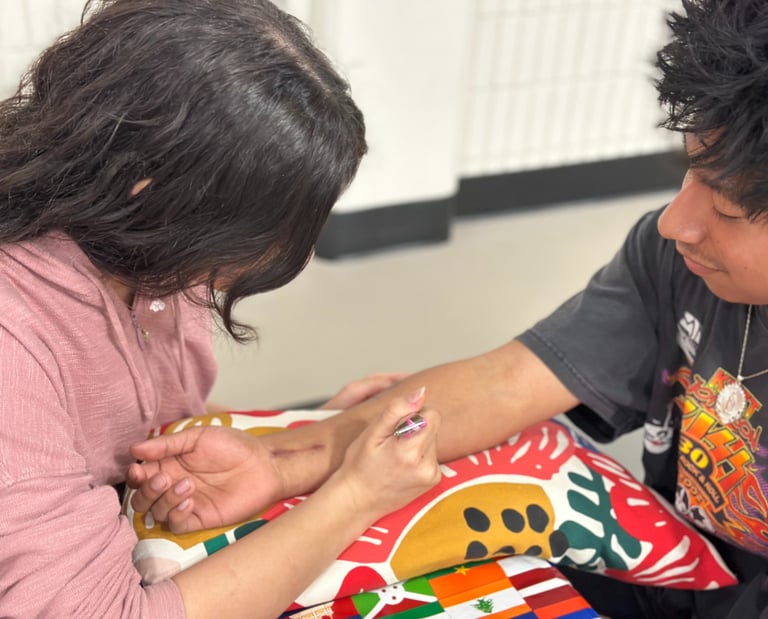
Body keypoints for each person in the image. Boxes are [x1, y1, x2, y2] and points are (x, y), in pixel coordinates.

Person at [129, 1, 768, 617]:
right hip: (674, 578)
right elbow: (507, 382)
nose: (675, 222)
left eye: (728, 209)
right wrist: (281, 462)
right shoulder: (674, 262)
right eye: (688, 172)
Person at [0, 0, 444, 617]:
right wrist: (354, 497)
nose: (297, 253)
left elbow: (123, 412)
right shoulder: (12, 345)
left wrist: (298, 427)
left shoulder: (141, 252)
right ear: (149, 188)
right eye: (267, 224)